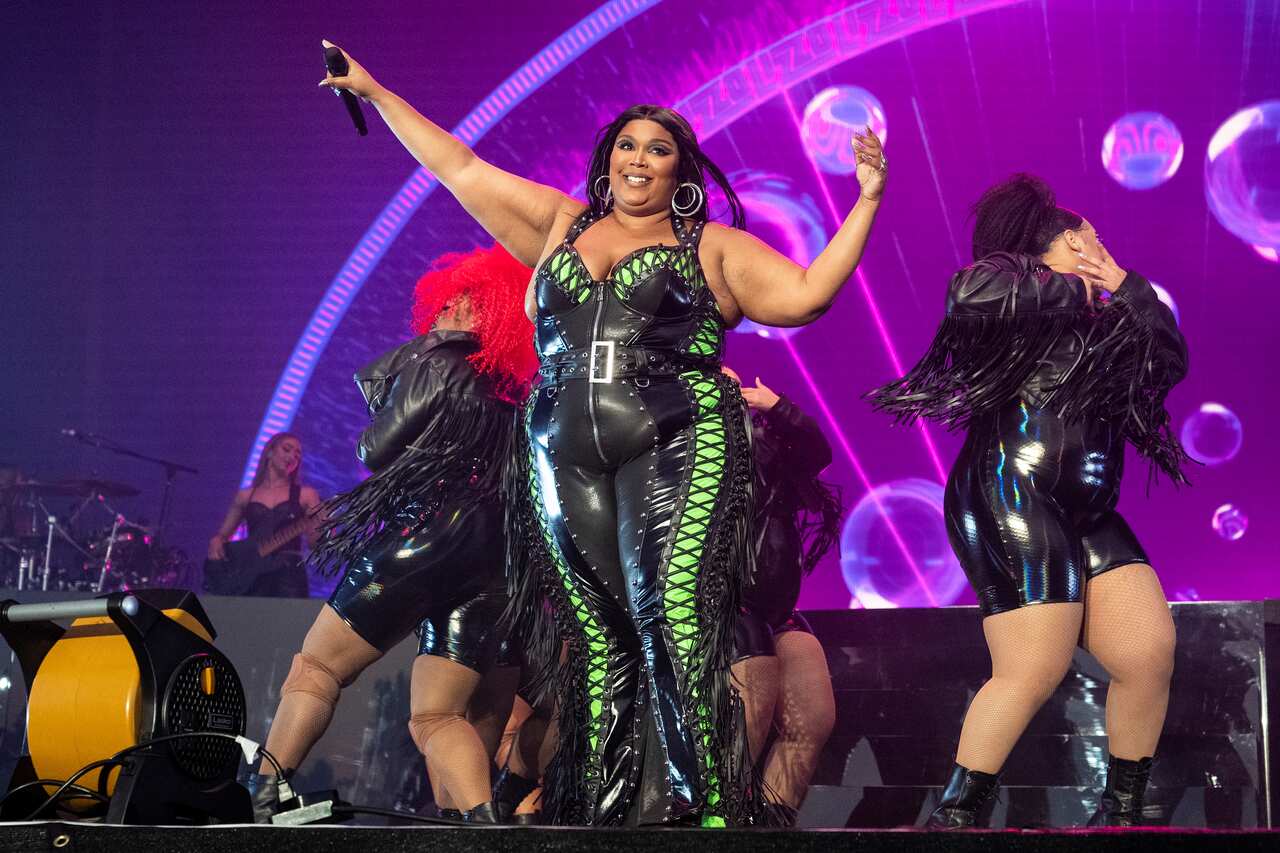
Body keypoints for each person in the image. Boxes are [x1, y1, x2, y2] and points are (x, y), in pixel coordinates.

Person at [317, 40, 886, 826]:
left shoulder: (709, 247)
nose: (639, 158)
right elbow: (459, 168)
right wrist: (378, 92)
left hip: (676, 439)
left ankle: (703, 808)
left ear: (681, 171)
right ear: (607, 160)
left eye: (659, 149)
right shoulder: (558, 223)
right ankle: (611, 808)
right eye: (627, 144)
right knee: (597, 628)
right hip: (561, 448)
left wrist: (866, 199)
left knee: (672, 613)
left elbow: (807, 295)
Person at [870, 174, 1188, 828]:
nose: (1103, 248)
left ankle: (1120, 816)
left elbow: (1169, 360)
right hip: (1011, 489)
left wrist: (1126, 289)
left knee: (1148, 648)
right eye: (1092, 238)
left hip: (1088, 505)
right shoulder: (1011, 285)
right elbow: (968, 295)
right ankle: (956, 818)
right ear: (1068, 242)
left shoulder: (1109, 317)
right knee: (1034, 663)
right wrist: (1078, 286)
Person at [248, 244, 538, 824]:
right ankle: (481, 822)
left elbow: (376, 450)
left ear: (483, 310)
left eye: (460, 300)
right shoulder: (516, 396)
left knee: (317, 668)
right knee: (437, 717)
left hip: (425, 535)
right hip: (494, 561)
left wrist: (393, 393)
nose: (445, 309)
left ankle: (264, 793)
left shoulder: (439, 362)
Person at [724, 370, 841, 826]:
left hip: (778, 606)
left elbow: (819, 453)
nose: (731, 388)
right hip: (726, 605)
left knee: (812, 721)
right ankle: (722, 821)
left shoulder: (769, 447)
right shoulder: (686, 451)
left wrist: (779, 408)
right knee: (742, 729)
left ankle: (771, 826)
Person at [208, 433, 321, 597]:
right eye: (287, 449)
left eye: (297, 454)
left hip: (289, 576)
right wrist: (216, 541)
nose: (292, 456)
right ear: (270, 452)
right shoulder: (246, 495)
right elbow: (224, 535)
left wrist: (323, 526)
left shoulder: (307, 495)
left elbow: (314, 543)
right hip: (252, 573)